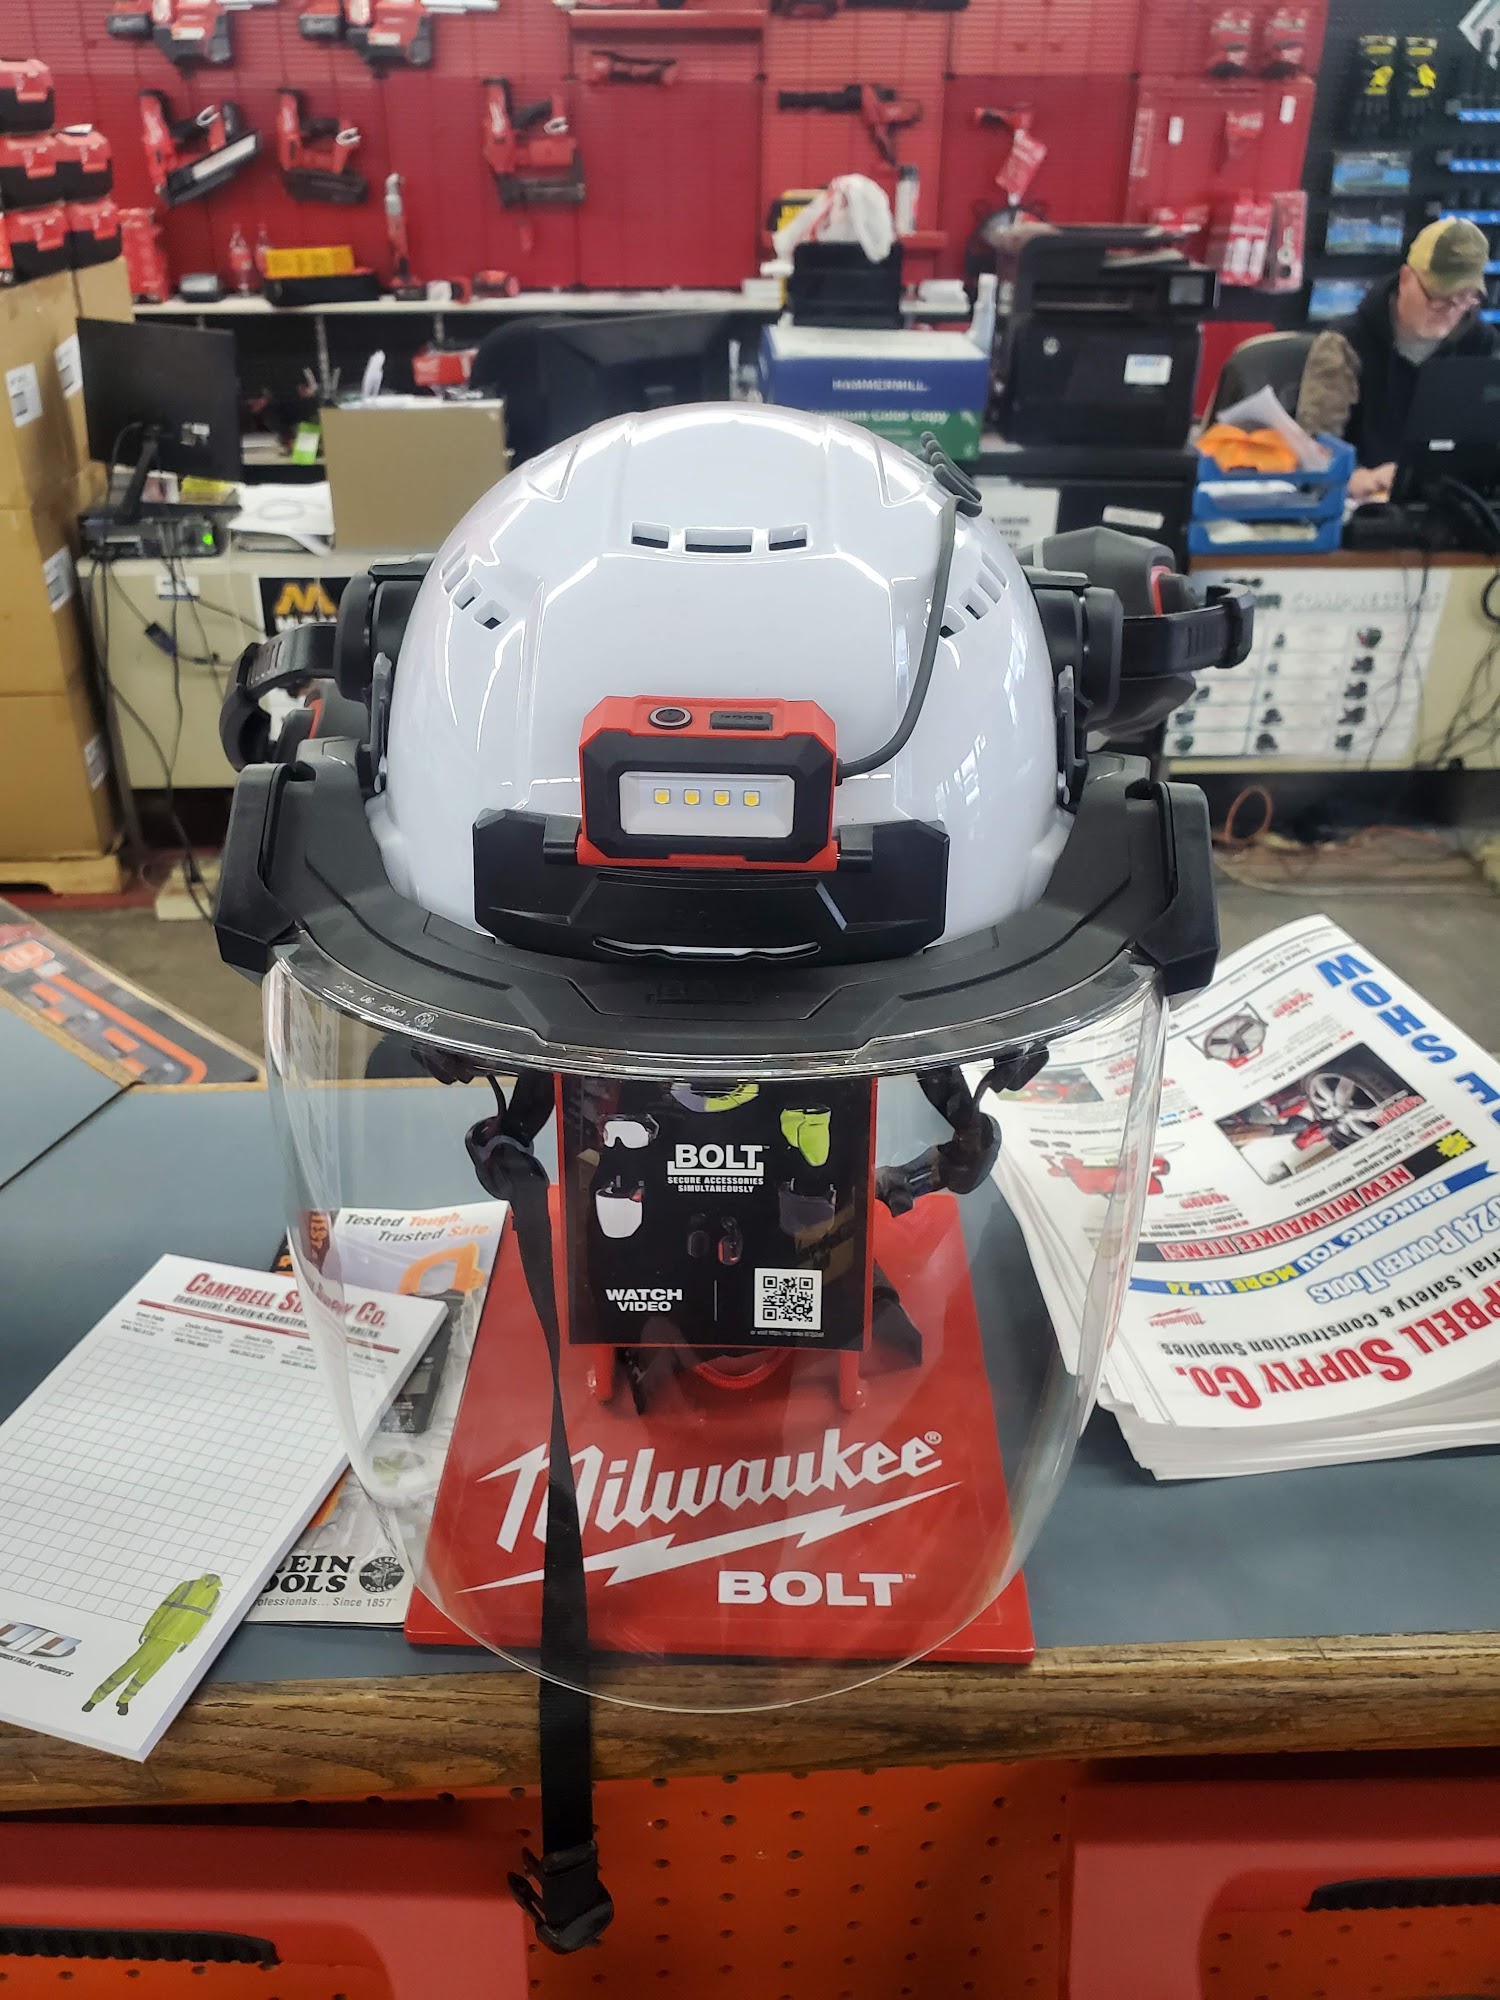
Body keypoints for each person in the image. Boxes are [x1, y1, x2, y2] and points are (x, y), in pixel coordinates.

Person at [1296, 218, 1496, 502]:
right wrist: (1354, 478)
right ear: (1405, 279)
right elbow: (1314, 450)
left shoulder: (1485, 347)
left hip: (1456, 508)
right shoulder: (1344, 345)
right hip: (1363, 509)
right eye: (1438, 296)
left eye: (1464, 298)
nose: (1451, 310)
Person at [81, 1572, 221, 1716]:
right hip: (159, 1633)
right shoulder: (187, 1585)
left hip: (175, 1641)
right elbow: (164, 1607)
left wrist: (188, 1639)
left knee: (149, 1672)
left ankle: (124, 1700)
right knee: (130, 1666)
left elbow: (204, 1619)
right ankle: (95, 1698)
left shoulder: (215, 1595)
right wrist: (148, 1629)